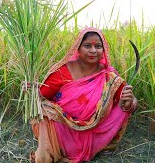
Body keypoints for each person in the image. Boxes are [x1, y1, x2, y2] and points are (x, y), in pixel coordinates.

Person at [30, 27, 138, 163]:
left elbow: (130, 105)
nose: (93, 50)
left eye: (98, 46)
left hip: (94, 133)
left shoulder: (109, 77)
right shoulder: (63, 71)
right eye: (87, 45)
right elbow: (41, 96)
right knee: (45, 112)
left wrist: (130, 101)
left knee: (122, 108)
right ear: (78, 49)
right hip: (63, 131)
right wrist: (32, 90)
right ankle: (55, 149)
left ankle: (99, 145)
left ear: (103, 50)